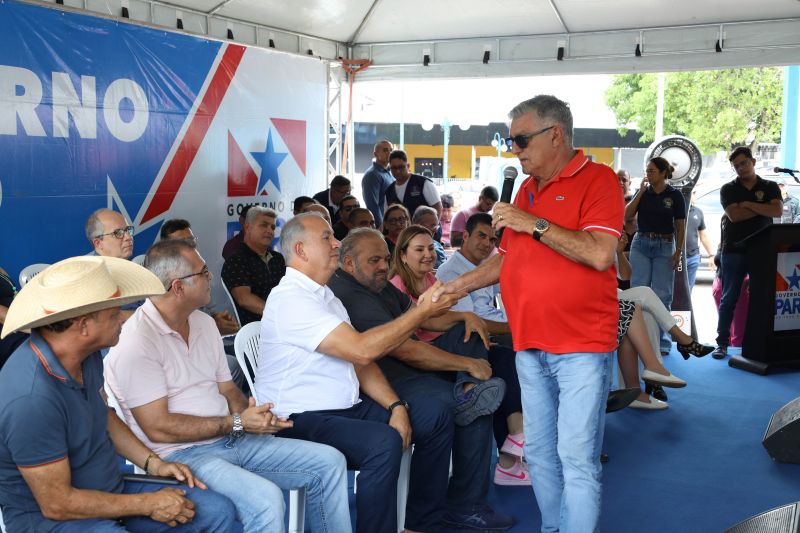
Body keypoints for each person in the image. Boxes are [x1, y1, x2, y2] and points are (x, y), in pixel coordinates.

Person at [431, 95, 624, 532]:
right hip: (529, 343)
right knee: (538, 453)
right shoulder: (526, 189)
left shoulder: (599, 180)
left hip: (581, 347)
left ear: (555, 134)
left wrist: (531, 223)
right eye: (510, 140)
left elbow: (597, 253)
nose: (513, 149)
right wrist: (452, 289)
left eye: (520, 139)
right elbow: (505, 259)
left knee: (577, 457)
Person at [105, 240, 351, 532]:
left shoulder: (203, 323)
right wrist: (236, 422)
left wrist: (252, 418)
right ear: (178, 287)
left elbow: (228, 389)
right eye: (203, 272)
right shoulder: (136, 341)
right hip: (181, 455)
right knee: (266, 500)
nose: (211, 277)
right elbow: (158, 427)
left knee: (329, 462)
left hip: (233, 439)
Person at [256, 213, 461, 533]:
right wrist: (421, 312)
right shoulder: (291, 299)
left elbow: (362, 363)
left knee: (433, 414)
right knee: (383, 442)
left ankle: (419, 524)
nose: (336, 242)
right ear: (301, 249)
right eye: (326, 238)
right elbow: (362, 349)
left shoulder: (324, 296)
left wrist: (396, 407)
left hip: (344, 408)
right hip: (296, 416)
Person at [0, 256, 236, 532]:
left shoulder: (84, 357)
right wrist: (148, 504)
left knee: (217, 511)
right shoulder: (31, 399)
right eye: (113, 313)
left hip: (110, 487)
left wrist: (153, 463)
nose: (123, 318)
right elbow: (58, 504)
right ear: (83, 325)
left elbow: (104, 416)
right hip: (52, 520)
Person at [329, 228, 516, 528]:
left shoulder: (376, 284)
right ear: (348, 264)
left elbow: (422, 316)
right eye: (374, 260)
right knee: (459, 403)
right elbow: (405, 350)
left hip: (411, 370)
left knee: (469, 334)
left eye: (385, 259)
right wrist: (466, 364)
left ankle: (469, 390)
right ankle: (466, 504)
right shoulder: (350, 293)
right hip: (387, 382)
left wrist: (463, 316)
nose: (382, 266)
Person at [386, 224, 526, 490]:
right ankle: (470, 390)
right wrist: (467, 317)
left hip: (446, 350)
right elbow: (424, 325)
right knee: (469, 332)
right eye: (419, 249)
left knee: (502, 364)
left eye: (430, 248)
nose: (428, 254)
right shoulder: (397, 285)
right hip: (424, 361)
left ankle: (513, 445)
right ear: (402, 255)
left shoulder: (432, 280)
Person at [713, 146, 782, 359]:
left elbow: (777, 211)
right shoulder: (728, 189)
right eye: (736, 166)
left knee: (762, 298)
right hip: (733, 249)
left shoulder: (769, 186)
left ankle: (759, 342)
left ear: (753, 161)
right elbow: (734, 216)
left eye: (743, 163)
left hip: (762, 250)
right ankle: (722, 343)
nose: (740, 168)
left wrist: (749, 204)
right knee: (729, 298)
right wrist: (761, 207)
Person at [625, 157, 687, 354]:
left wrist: (678, 251)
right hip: (641, 242)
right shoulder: (643, 192)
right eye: (647, 170)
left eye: (652, 171)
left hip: (665, 244)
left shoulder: (674, 195)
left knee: (662, 294)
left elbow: (680, 225)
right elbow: (627, 215)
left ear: (663, 173)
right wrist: (641, 191)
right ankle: (637, 338)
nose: (648, 174)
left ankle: (662, 342)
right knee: (638, 291)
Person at [221, 207, 286, 326]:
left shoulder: (278, 258)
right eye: (263, 225)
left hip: (285, 322)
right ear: (247, 227)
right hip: (256, 331)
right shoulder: (237, 260)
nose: (270, 231)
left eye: (272, 227)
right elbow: (244, 299)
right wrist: (280, 315)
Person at [384, 150, 442, 219]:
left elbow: (438, 207)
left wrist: (433, 227)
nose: (398, 171)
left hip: (426, 229)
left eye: (401, 167)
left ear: (408, 166)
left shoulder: (423, 183)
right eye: (394, 168)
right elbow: (387, 217)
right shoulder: (389, 191)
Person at [685, 194, 716, 292]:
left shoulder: (698, 212)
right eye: (694, 193)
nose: (695, 196)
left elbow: (703, 236)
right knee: (673, 289)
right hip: (676, 257)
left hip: (693, 257)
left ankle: (686, 307)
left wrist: (711, 255)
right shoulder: (675, 210)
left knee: (688, 289)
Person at [361, 139, 394, 226]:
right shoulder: (372, 175)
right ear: (375, 154)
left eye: (391, 150)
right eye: (385, 150)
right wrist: (381, 227)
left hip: (392, 223)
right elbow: (372, 205)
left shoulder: (390, 172)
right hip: (383, 226)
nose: (389, 153)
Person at [0, 266, 27, 370]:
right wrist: (37, 327)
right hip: (8, 331)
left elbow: (14, 291)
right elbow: (4, 317)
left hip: (21, 320)